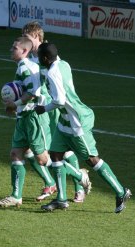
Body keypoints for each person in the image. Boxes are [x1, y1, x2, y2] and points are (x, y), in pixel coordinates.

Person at [35, 42, 132, 213]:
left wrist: (44, 108)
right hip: (64, 121)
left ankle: (120, 191)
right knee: (55, 155)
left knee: (92, 159)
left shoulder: (52, 73)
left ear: (44, 58)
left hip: (76, 122)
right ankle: (61, 199)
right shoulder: (64, 64)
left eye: (39, 57)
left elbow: (59, 100)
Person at [0, 37, 91, 208]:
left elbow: (33, 91)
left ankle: (79, 175)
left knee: (42, 159)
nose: (11, 49)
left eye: (14, 47)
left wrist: (15, 103)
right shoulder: (23, 66)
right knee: (16, 154)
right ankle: (16, 196)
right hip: (22, 117)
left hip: (33, 117)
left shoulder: (26, 66)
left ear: (24, 51)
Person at [22, 21, 88, 203]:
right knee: (33, 149)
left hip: (52, 109)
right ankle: (52, 184)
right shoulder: (31, 58)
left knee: (62, 151)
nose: (23, 41)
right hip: (39, 110)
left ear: (36, 37)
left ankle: (79, 184)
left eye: (27, 37)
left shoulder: (48, 57)